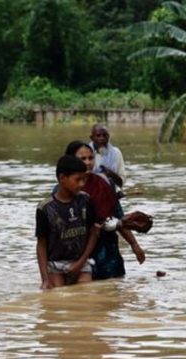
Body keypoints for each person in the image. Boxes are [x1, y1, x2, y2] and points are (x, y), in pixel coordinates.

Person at [65, 141, 146, 280]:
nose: (88, 162)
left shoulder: (104, 183)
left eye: (91, 158)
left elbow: (117, 216)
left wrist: (134, 245)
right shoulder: (64, 189)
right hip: (78, 256)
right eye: (83, 159)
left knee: (112, 293)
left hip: (108, 255)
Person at [36, 155, 101, 289]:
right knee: (58, 297)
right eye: (77, 180)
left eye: (84, 179)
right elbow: (41, 244)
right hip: (55, 265)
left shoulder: (85, 200)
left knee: (86, 295)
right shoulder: (45, 208)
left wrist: (80, 263)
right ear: (62, 179)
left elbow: (93, 233)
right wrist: (44, 279)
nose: (82, 184)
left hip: (82, 262)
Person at [89, 124, 125, 188]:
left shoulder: (116, 153)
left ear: (108, 137)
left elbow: (121, 181)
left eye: (104, 135)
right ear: (92, 138)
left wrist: (110, 173)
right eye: (98, 135)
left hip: (110, 189)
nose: (102, 138)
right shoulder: (85, 152)